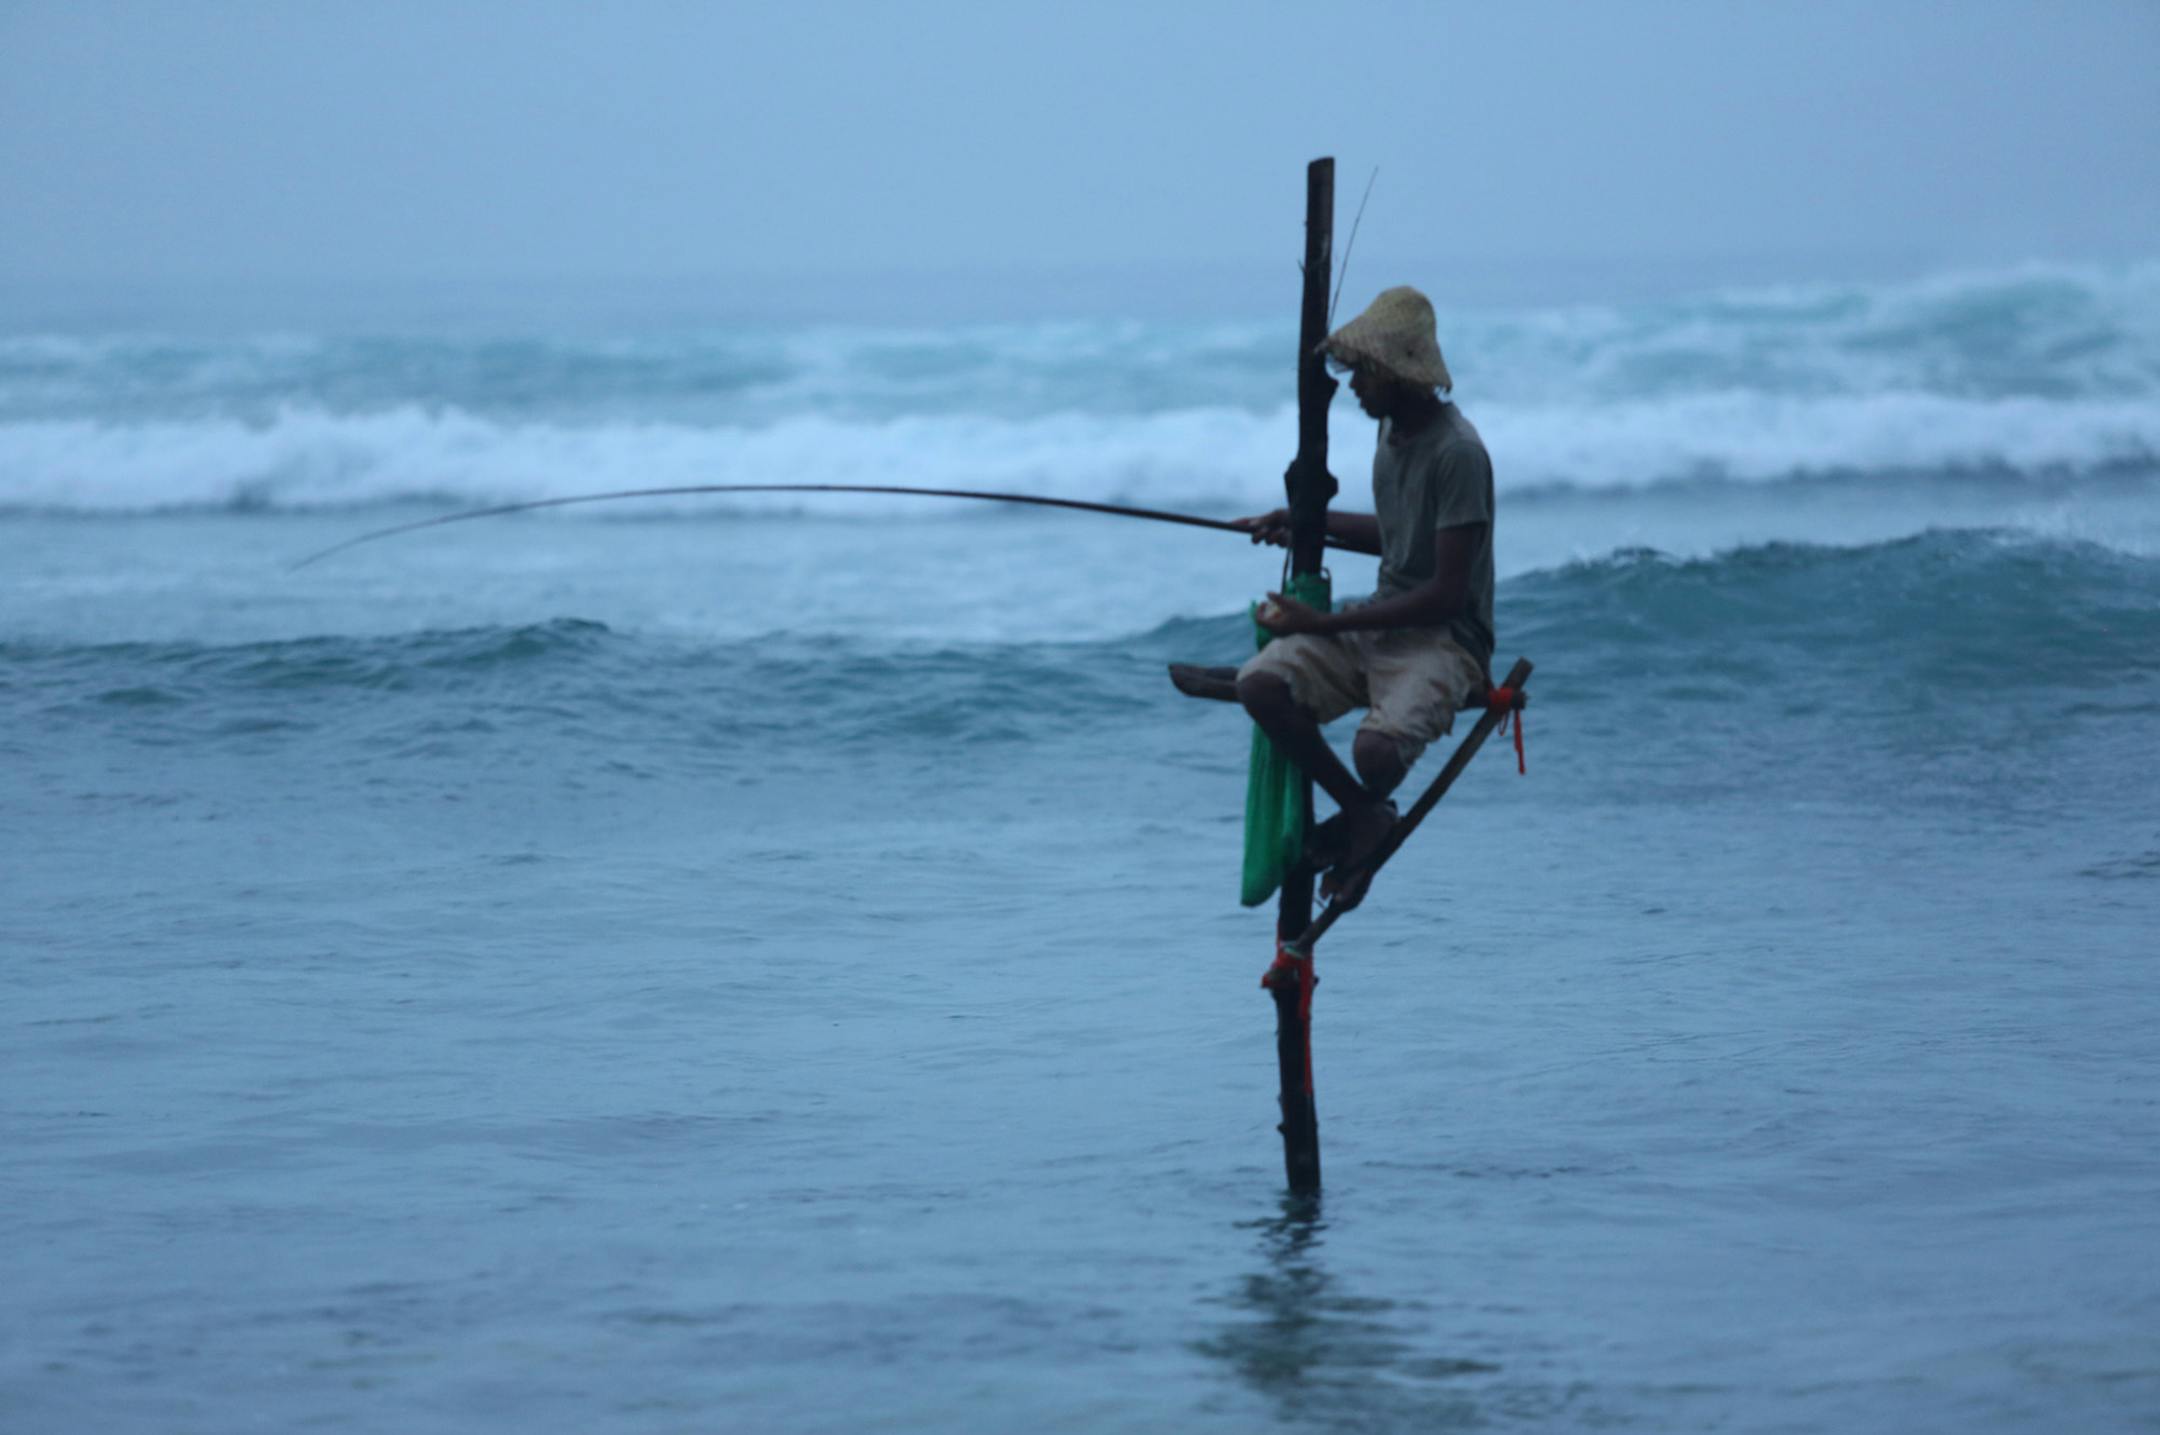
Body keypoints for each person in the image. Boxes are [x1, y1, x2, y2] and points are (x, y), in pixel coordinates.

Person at [1231, 285, 1494, 907]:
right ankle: (1364, 817)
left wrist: (1318, 626)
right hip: (1382, 626)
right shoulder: (1391, 435)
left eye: (1363, 374)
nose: (1352, 387)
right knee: (1258, 684)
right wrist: (1305, 523)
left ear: (1396, 374)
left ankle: (1360, 818)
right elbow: (1399, 538)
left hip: (1444, 640)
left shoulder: (1458, 454)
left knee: (1375, 752)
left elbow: (1446, 594)